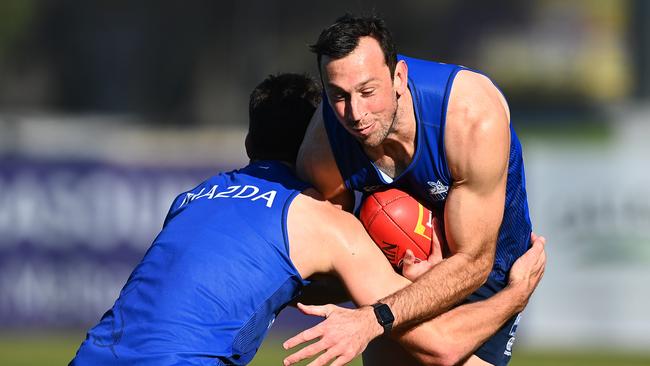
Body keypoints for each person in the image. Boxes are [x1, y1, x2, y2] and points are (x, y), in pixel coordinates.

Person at [69, 73, 545, 366]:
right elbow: (438, 348)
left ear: (250, 145)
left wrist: (392, 281)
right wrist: (514, 295)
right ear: (321, 146)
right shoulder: (320, 221)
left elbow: (271, 278)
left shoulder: (192, 198)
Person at [292, 14, 536, 366]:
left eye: (368, 91)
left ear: (399, 78)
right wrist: (382, 272)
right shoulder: (323, 152)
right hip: (392, 279)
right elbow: (331, 262)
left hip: (488, 274)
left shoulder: (469, 117)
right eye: (339, 96)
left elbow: (474, 262)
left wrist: (377, 316)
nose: (356, 113)